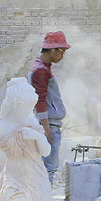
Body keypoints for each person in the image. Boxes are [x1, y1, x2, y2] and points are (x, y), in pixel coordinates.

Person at [30, 31, 70, 175]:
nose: (62, 56)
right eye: (62, 52)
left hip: (49, 124)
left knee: (45, 167)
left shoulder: (42, 67)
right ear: (53, 50)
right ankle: (45, 191)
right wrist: (46, 129)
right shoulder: (41, 70)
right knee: (49, 168)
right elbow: (40, 101)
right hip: (49, 125)